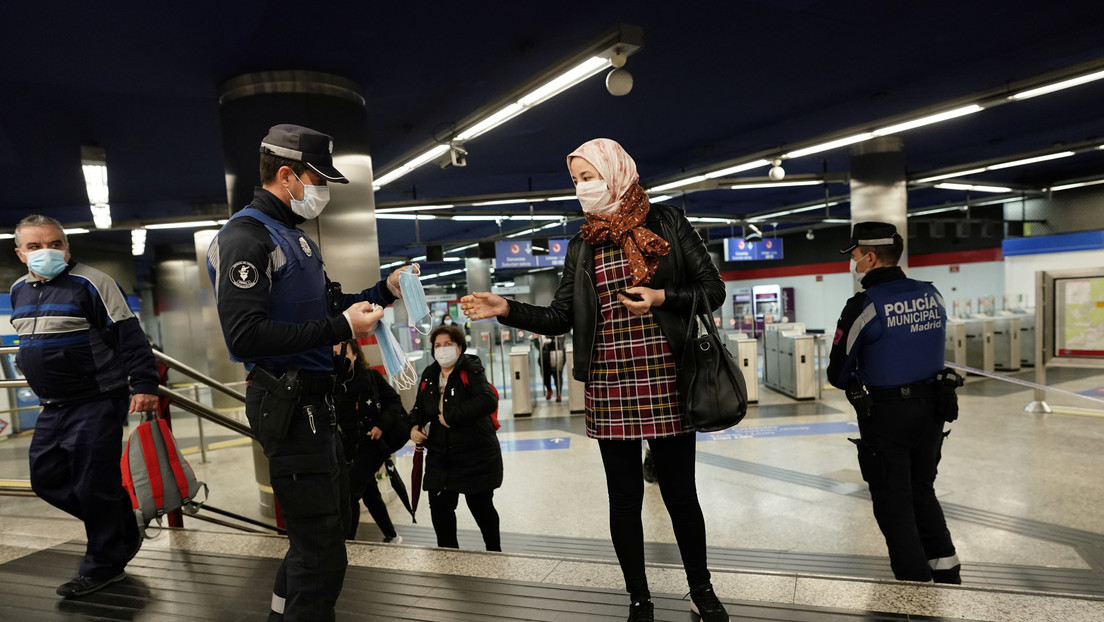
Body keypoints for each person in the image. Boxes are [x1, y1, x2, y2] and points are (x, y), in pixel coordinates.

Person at [460, 138, 730, 622]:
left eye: (589, 177)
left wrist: (661, 297)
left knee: (680, 494)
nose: (582, 188)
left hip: (669, 375)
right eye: (577, 181)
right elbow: (564, 314)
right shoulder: (583, 243)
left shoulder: (667, 222)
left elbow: (713, 290)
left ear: (617, 171)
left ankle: (701, 588)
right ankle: (639, 597)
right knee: (624, 498)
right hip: (609, 383)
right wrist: (507, 309)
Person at [206, 123, 413, 622]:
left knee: (321, 529)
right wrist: (339, 325)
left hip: (317, 403)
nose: (322, 190)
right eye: (317, 178)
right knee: (323, 547)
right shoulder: (245, 238)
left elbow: (326, 306)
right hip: (290, 402)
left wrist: (383, 291)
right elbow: (245, 336)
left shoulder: (293, 239)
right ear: (286, 175)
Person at [10, 214, 155, 598]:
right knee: (46, 478)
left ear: (67, 246)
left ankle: (105, 564)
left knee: (94, 485)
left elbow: (130, 337)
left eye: (55, 243)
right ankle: (122, 525)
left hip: (97, 399)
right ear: (20, 253)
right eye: (36, 246)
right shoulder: (19, 291)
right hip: (53, 405)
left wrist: (143, 384)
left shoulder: (93, 282)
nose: (47, 251)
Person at [827, 221, 961, 584]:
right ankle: (947, 569)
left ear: (870, 258)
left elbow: (838, 373)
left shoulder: (864, 305)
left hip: (888, 416)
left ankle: (913, 583)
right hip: (934, 410)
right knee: (922, 489)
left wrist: (855, 379)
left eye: (855, 256)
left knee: (893, 498)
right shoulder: (932, 295)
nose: (854, 264)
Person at [408, 323, 503, 552]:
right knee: (440, 510)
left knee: (481, 507)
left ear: (459, 347)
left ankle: (494, 552)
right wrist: (413, 427)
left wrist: (452, 417)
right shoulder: (430, 374)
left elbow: (487, 400)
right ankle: (449, 557)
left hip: (475, 453)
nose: (442, 349)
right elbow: (418, 408)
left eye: (448, 344)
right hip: (441, 456)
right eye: (437, 345)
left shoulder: (470, 369)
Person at [332, 339, 409, 543]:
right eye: (334, 353)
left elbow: (394, 401)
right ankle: (391, 536)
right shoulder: (332, 383)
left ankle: (347, 542)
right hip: (348, 448)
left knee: (349, 494)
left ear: (356, 354)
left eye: (343, 352)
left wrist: (380, 425)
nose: (339, 357)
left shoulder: (370, 377)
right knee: (369, 491)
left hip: (371, 445)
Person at [539, 334, 565, 402]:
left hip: (556, 354)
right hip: (545, 357)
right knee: (545, 376)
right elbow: (538, 346)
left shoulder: (558, 329)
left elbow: (561, 341)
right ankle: (549, 390)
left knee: (557, 376)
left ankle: (558, 394)